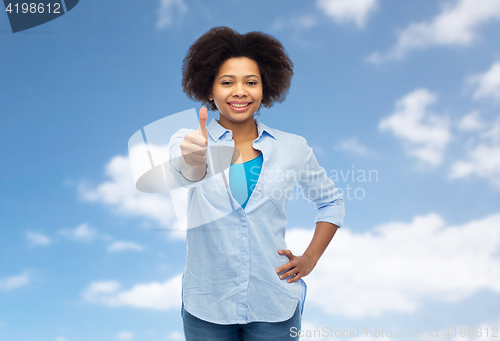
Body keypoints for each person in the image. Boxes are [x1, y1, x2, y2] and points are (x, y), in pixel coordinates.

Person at [168, 26, 345, 341]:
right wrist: (194, 159)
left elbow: (330, 201)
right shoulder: (188, 141)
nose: (239, 91)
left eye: (251, 82)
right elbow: (186, 174)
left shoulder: (294, 148)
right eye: (227, 82)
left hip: (274, 304)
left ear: (265, 89)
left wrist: (310, 258)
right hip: (207, 307)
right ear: (209, 90)